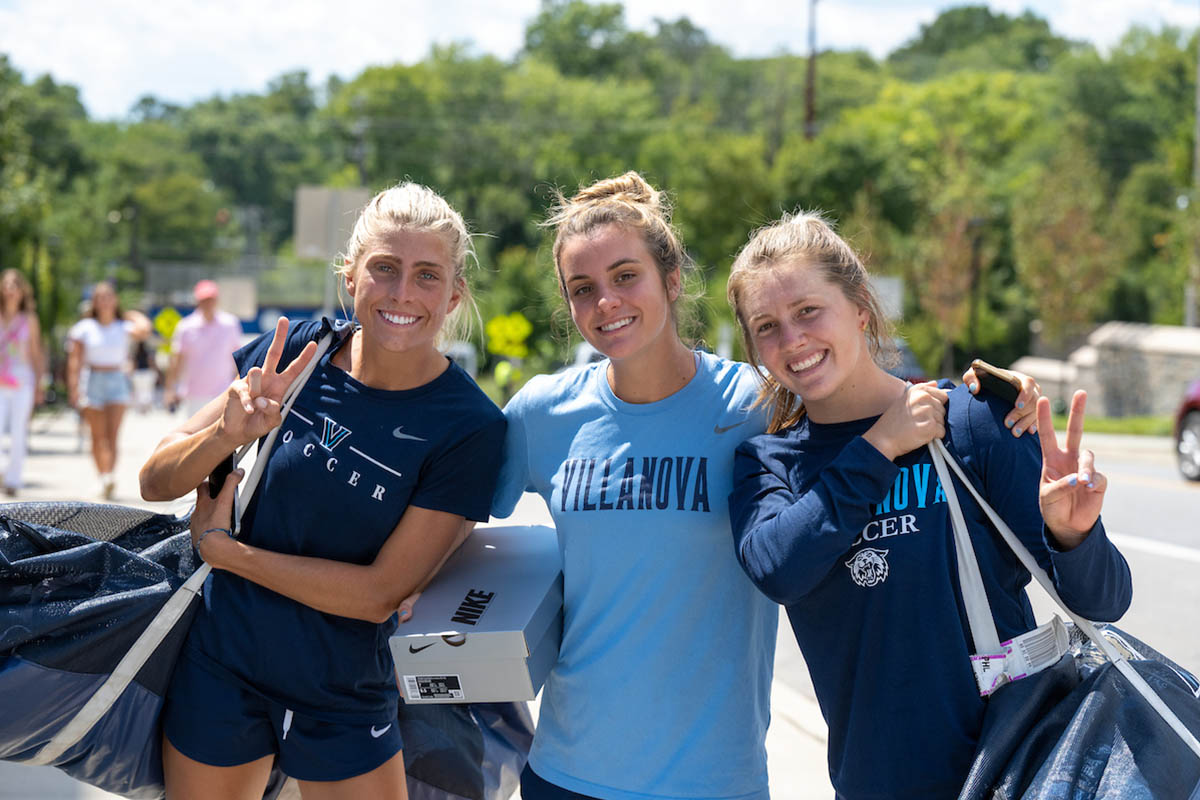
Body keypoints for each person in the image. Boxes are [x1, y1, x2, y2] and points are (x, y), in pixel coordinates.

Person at [489, 173, 1042, 800]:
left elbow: (853, 393)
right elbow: (452, 502)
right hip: (565, 770)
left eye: (625, 276)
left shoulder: (757, 404)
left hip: (714, 779)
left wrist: (991, 397)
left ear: (672, 279)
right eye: (582, 289)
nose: (606, 302)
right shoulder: (541, 412)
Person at [724, 211, 1133, 800]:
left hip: (1013, 772)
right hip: (874, 784)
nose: (792, 340)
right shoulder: (768, 464)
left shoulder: (973, 421)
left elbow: (1104, 602)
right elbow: (780, 569)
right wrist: (879, 447)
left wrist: (1074, 537)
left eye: (808, 310)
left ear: (860, 306)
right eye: (767, 326)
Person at [139, 182, 506, 800]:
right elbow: (154, 480)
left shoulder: (469, 426)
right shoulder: (297, 355)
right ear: (350, 275)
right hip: (223, 666)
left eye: (426, 275)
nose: (402, 292)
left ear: (453, 295)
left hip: (343, 693)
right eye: (384, 268)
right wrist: (224, 435)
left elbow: (378, 594)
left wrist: (226, 553)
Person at [66, 281, 151, 499]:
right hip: (93, 379)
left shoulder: (123, 326)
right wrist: (73, 387)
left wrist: (130, 314)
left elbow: (145, 329)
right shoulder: (84, 328)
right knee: (97, 435)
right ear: (94, 302)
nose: (104, 301)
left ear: (115, 300)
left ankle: (110, 476)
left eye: (108, 297)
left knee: (112, 435)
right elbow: (74, 360)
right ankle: (101, 476)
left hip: (117, 379)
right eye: (100, 297)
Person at [165, 279, 244, 417]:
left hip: (223, 392)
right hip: (194, 394)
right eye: (204, 300)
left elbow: (238, 357)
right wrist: (170, 389)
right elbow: (177, 360)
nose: (208, 304)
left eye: (210, 299)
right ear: (198, 301)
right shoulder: (186, 327)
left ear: (216, 300)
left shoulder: (230, 324)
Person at [0, 269, 45, 496]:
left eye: (15, 285)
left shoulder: (29, 319)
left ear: (22, 291)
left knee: (19, 431)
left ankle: (13, 480)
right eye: (7, 284)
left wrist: (39, 384)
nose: (11, 289)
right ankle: (2, 468)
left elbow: (36, 353)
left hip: (22, 381)